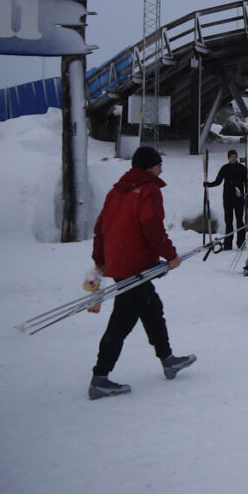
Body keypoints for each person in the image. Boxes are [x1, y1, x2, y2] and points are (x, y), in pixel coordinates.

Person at [87, 146, 195, 399]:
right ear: (149, 166)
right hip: (135, 265)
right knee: (122, 321)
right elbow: (152, 227)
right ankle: (100, 377)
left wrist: (100, 260)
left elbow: (100, 227)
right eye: (159, 164)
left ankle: (168, 360)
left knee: (152, 309)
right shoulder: (148, 190)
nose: (161, 169)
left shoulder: (117, 191)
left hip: (120, 261)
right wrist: (171, 256)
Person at [204, 149, 248, 251]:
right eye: (231, 156)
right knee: (228, 221)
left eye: (235, 156)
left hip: (239, 198)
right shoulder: (225, 168)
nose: (233, 158)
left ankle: (241, 243)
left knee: (239, 221)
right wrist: (208, 184)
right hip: (227, 198)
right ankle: (228, 244)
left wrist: (246, 194)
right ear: (228, 158)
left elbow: (246, 182)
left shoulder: (242, 168)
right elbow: (218, 181)